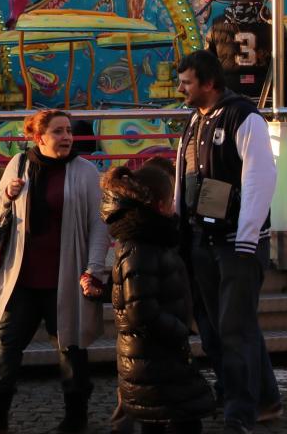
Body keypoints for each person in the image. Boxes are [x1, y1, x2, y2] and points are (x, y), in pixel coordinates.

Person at [0, 109, 109, 434]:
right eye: (58, 131)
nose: (66, 137)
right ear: (38, 137)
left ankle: (75, 419)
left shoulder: (85, 171)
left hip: (66, 276)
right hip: (23, 276)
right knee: (7, 342)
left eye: (69, 131)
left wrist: (94, 268)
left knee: (71, 346)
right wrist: (9, 194)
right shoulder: (19, 163)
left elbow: (99, 225)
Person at [174, 49, 280, 434]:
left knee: (235, 329)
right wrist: (180, 228)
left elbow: (260, 177)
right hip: (202, 237)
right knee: (219, 329)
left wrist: (248, 237)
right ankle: (263, 399)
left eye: (186, 83)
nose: (180, 89)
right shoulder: (194, 120)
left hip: (236, 242)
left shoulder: (244, 117)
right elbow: (183, 177)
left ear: (209, 83)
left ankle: (240, 413)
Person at [103, 159, 214, 434]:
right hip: (153, 357)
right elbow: (140, 310)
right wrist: (179, 329)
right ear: (160, 205)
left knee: (163, 420)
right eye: (172, 200)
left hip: (155, 357)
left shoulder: (152, 239)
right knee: (178, 421)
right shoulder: (141, 247)